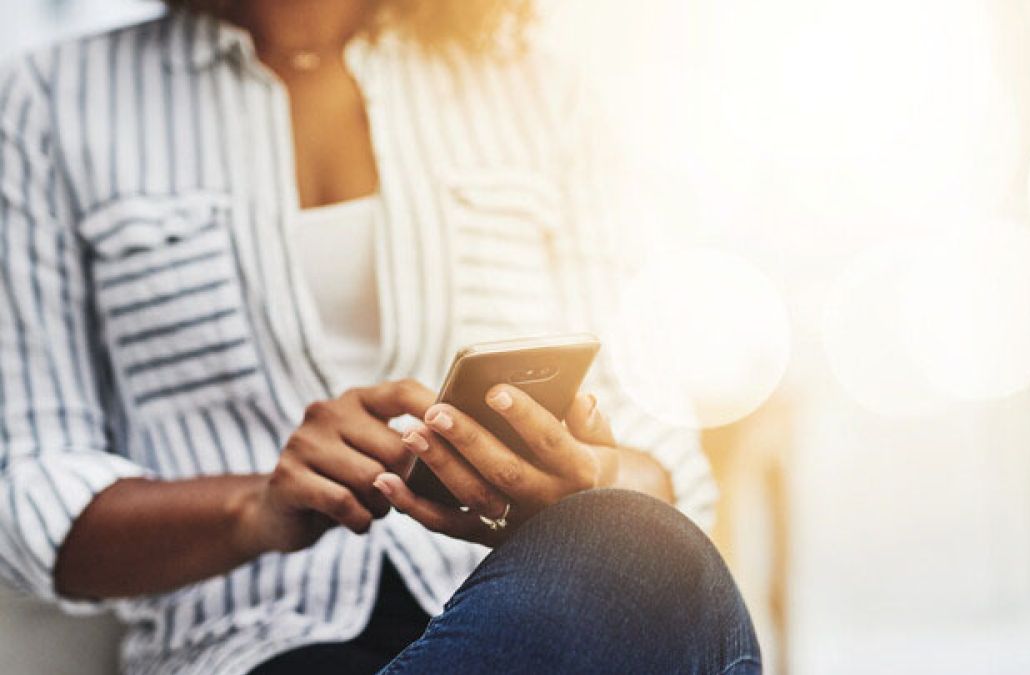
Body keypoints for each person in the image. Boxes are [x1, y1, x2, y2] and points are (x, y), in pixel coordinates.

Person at [0, 0, 760, 673]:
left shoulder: (538, 93)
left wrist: (572, 488)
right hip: (248, 645)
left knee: (644, 548)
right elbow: (32, 493)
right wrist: (254, 506)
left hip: (532, 619)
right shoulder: (52, 102)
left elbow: (669, 469)